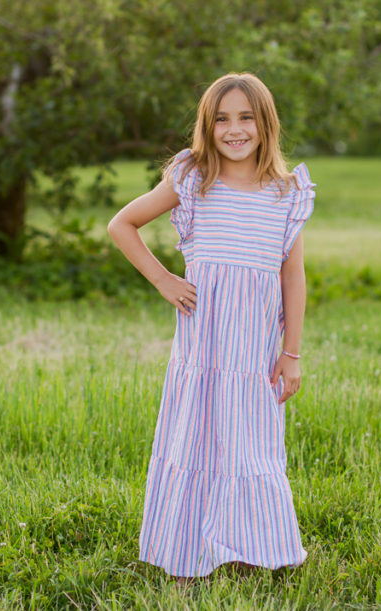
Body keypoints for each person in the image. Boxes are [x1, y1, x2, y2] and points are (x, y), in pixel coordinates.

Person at [107, 72, 315, 579]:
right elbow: (122, 224)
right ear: (207, 125)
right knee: (195, 442)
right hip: (202, 354)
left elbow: (293, 276)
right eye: (222, 119)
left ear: (265, 124)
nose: (234, 129)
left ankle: (249, 552)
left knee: (250, 449)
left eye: (246, 117)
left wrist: (292, 354)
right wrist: (162, 279)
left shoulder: (286, 194)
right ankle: (185, 552)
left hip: (253, 358)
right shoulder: (194, 182)